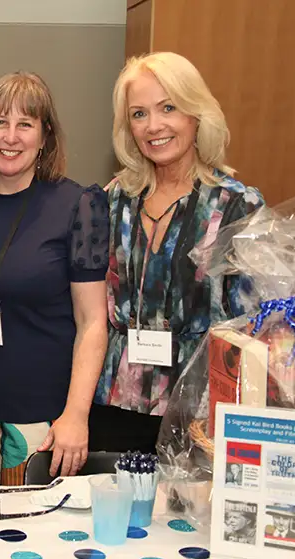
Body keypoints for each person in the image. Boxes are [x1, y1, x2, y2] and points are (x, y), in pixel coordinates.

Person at [0, 71, 110, 485]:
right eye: (0, 122)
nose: (10, 137)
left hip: (42, 418)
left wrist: (76, 415)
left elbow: (92, 322)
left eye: (25, 124)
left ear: (45, 135)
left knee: (28, 536)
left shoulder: (79, 206)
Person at [90, 52, 265, 453]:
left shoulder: (237, 206)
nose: (154, 126)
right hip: (115, 402)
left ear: (196, 113)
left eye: (168, 107)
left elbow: (257, 327)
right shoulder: (111, 200)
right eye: (139, 114)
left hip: (200, 411)